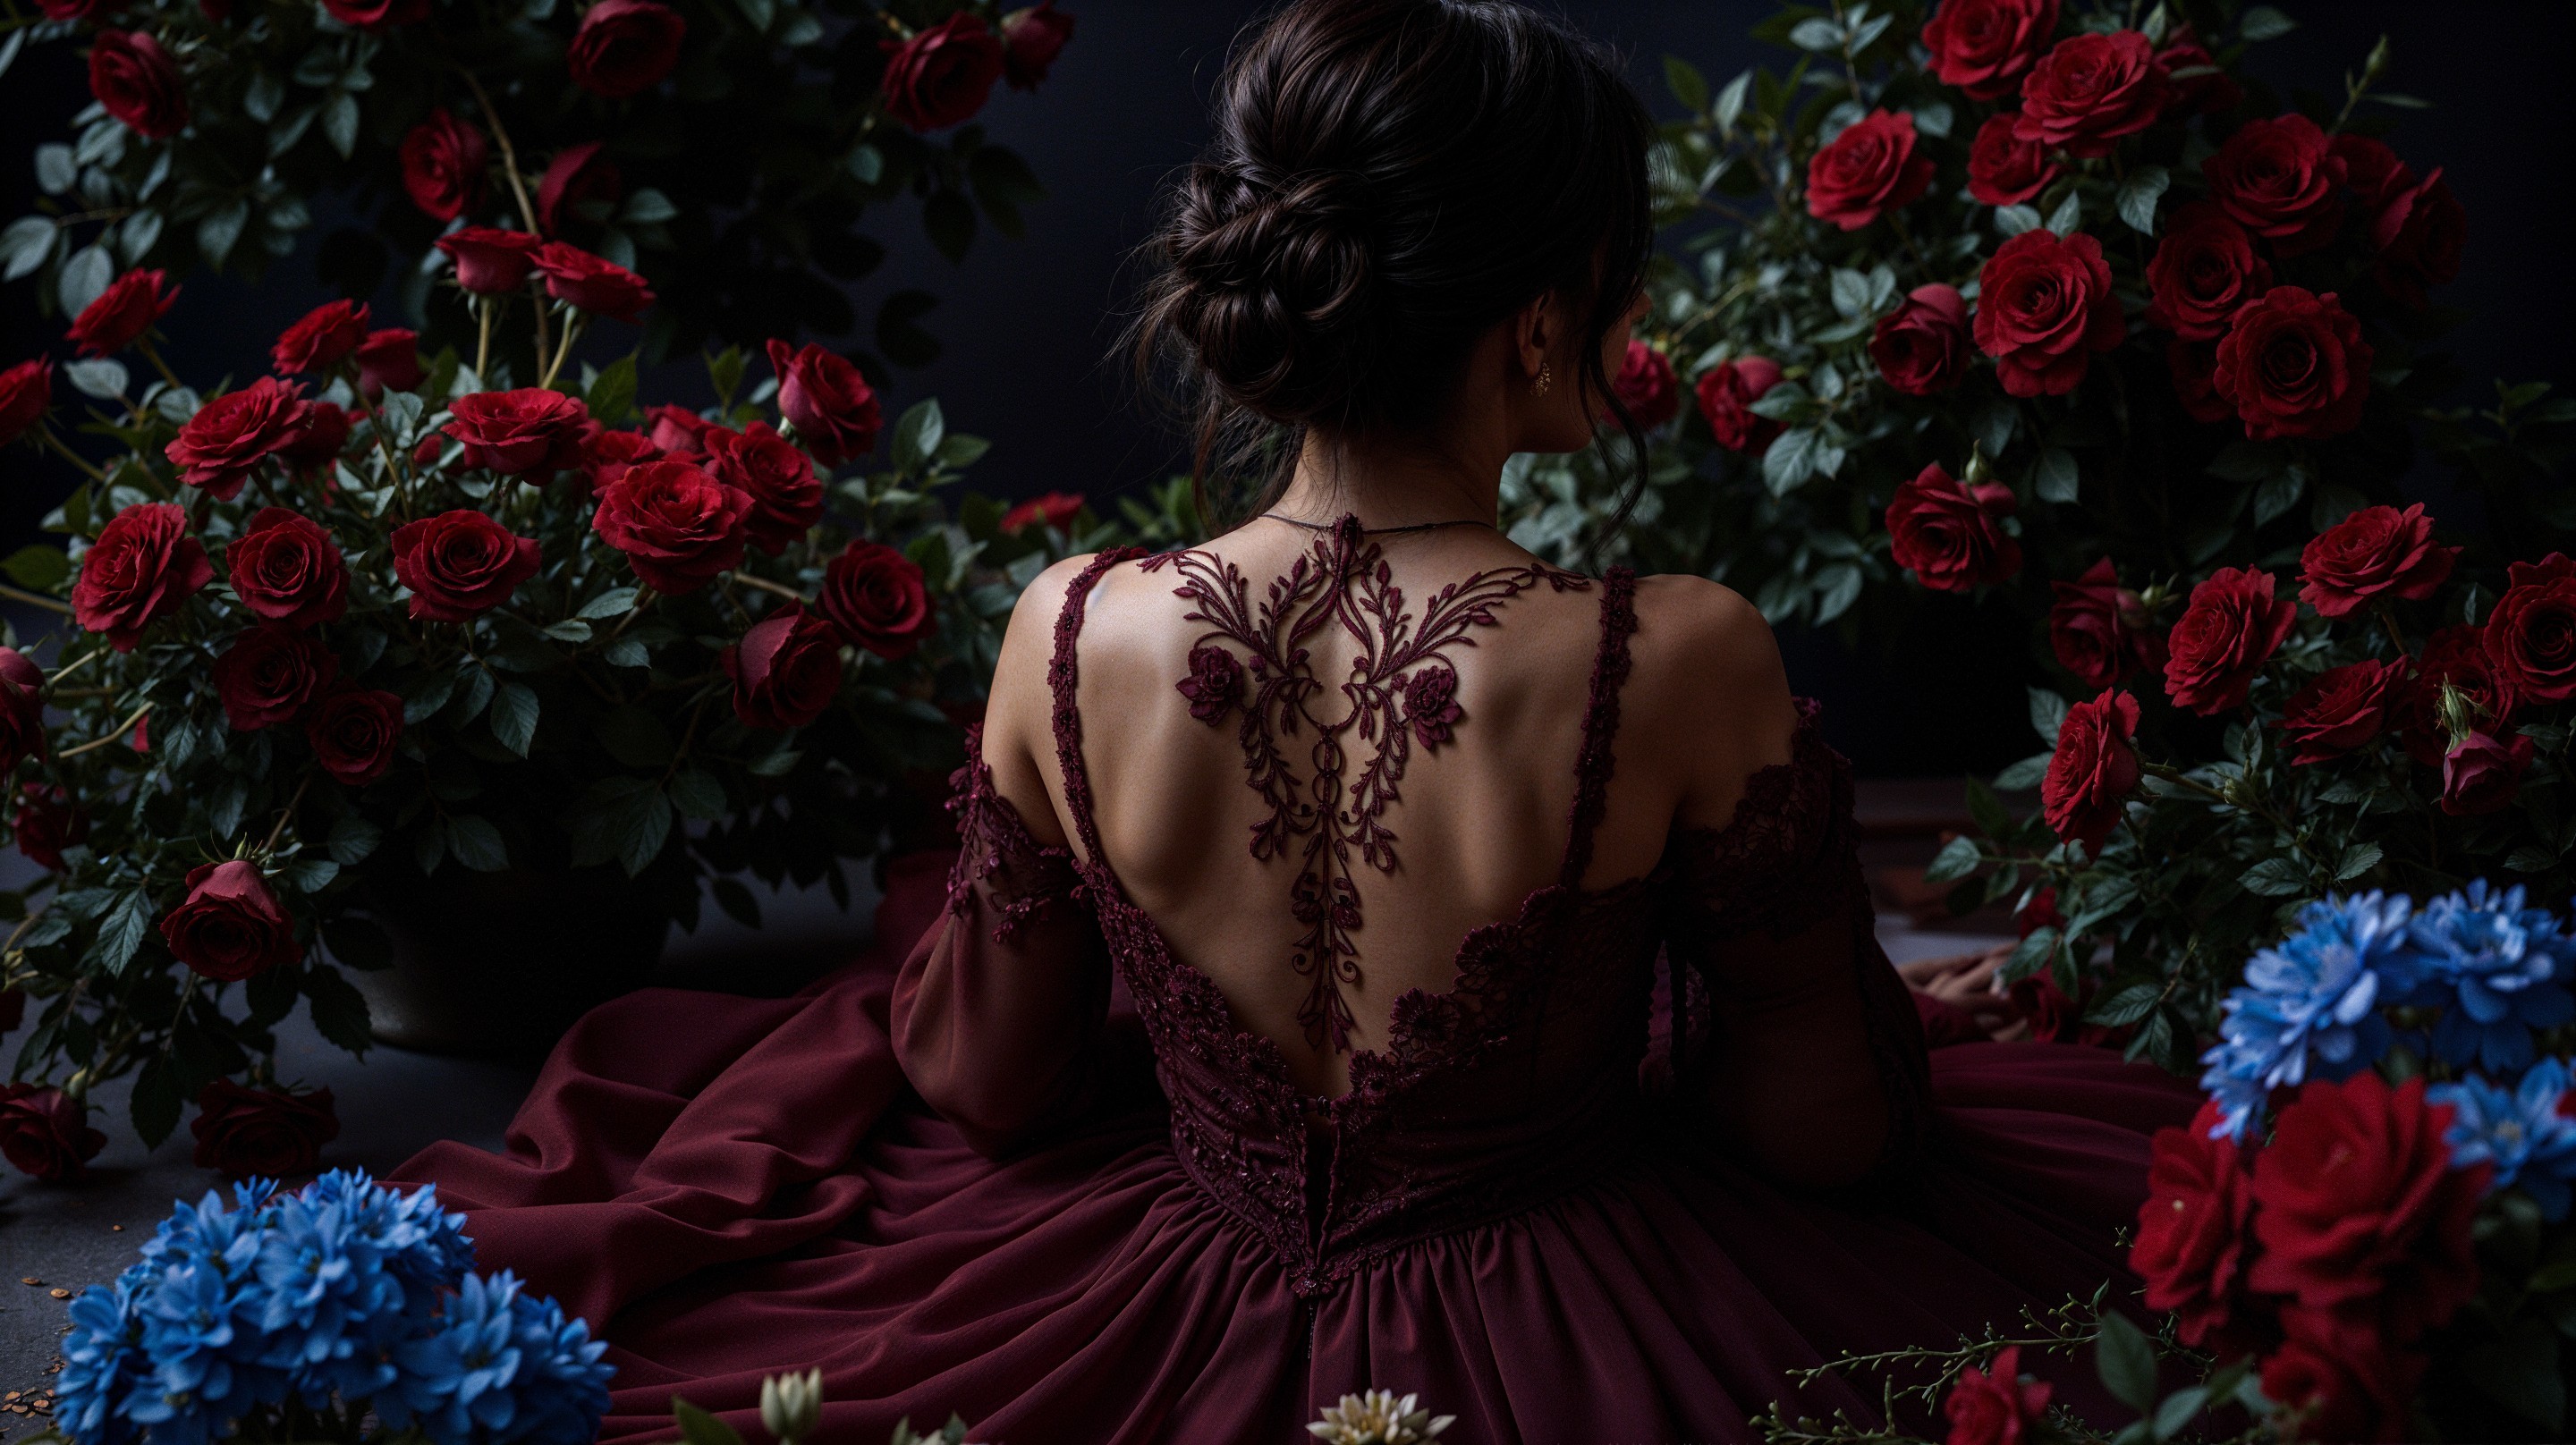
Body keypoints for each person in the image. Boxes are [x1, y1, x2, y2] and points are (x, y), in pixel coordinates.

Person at [397, 2, 2201, 1440]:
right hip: (1578, 1324)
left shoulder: (1068, 628)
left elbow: (990, 1082)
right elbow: (1827, 1134)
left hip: (1143, 1309)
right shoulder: (1677, 654)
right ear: (1544, 316)